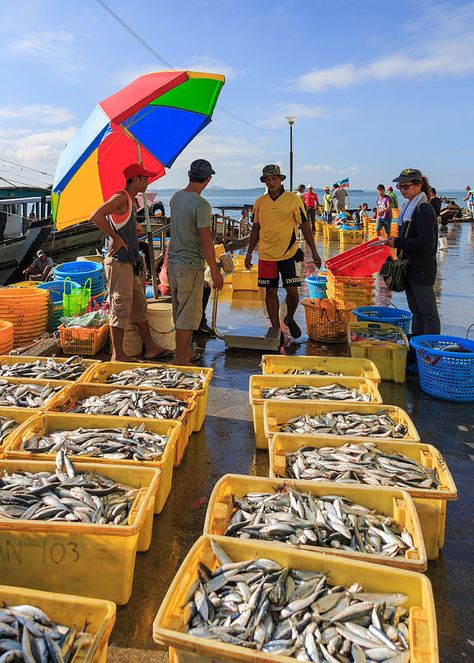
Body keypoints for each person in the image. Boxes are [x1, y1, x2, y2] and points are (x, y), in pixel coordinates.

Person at [91, 162, 172, 362]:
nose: (147, 182)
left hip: (131, 261)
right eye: (145, 178)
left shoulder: (132, 201)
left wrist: (135, 230)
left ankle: (151, 347)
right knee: (120, 306)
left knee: (138, 306)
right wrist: (116, 238)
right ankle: (117, 355)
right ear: (135, 179)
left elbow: (123, 225)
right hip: (120, 262)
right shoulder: (120, 197)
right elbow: (96, 216)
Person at [245, 164, 322, 339]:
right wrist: (249, 252)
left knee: (293, 292)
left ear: (281, 180)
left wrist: (314, 252)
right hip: (266, 255)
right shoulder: (260, 203)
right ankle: (275, 329)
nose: (271, 182)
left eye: (274, 178)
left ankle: (290, 317)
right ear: (264, 181)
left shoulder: (293, 200)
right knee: (270, 292)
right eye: (268, 179)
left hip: (288, 254)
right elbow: (255, 229)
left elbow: (305, 225)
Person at [168, 159, 223, 365]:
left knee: (179, 310)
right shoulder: (201, 204)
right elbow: (206, 240)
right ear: (208, 179)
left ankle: (186, 350)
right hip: (190, 265)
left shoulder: (175, 197)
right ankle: (181, 357)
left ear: (189, 175)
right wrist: (215, 272)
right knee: (187, 314)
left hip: (173, 263)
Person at [386, 169, 440, 353]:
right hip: (409, 266)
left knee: (428, 312)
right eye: (399, 186)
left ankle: (430, 352)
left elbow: (426, 243)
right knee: (416, 311)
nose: (402, 189)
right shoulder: (410, 206)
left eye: (406, 186)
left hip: (422, 267)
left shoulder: (423, 209)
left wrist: (398, 242)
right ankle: (418, 348)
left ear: (418, 185)